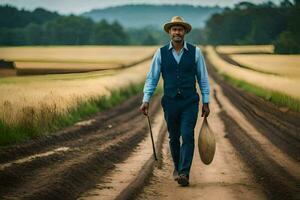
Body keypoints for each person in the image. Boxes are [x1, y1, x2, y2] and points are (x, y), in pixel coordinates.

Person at [139, 16, 210, 187]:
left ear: (185, 32)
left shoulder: (195, 52)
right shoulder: (160, 53)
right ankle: (177, 169)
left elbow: (203, 78)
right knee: (173, 137)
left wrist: (206, 102)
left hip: (190, 102)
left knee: (187, 135)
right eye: (174, 29)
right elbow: (152, 79)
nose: (177, 32)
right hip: (170, 102)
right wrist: (146, 99)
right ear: (170, 32)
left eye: (180, 29)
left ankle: (184, 172)